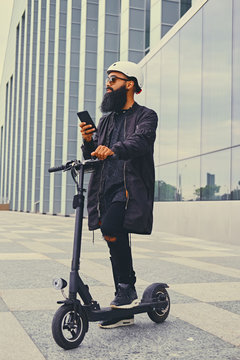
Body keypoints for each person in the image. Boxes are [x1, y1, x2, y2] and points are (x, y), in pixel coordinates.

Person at [80, 61, 158, 329]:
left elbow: (141, 142)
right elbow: (93, 156)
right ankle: (124, 301)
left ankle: (126, 289)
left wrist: (113, 149)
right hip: (106, 187)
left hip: (130, 188)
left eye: (113, 79)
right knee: (111, 234)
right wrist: (90, 141)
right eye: (108, 79)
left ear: (130, 84)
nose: (108, 83)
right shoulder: (106, 120)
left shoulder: (147, 115)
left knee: (112, 229)